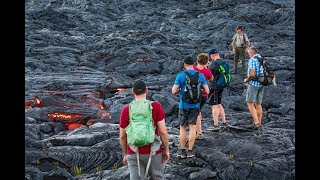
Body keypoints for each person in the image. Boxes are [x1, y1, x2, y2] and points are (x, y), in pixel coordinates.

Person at [119, 80, 170, 179]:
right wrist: (166, 149)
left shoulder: (127, 109)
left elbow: (122, 136)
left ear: (132, 92)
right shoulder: (156, 106)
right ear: (147, 91)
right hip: (154, 151)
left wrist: (125, 154)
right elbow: (163, 131)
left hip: (134, 151)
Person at [172, 56, 209, 158]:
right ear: (194, 64)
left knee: (183, 128)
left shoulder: (181, 75)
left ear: (185, 65)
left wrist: (180, 90)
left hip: (183, 105)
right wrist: (200, 91)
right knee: (193, 127)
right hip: (195, 105)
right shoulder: (200, 76)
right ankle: (190, 151)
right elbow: (207, 91)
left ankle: (182, 151)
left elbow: (173, 91)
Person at [193, 53, 213, 140]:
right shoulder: (207, 71)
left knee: (195, 113)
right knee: (198, 112)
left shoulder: (193, 69)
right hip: (204, 94)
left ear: (197, 60)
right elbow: (211, 79)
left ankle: (198, 132)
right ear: (207, 62)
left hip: (193, 94)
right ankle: (198, 131)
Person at [207, 48, 228, 131]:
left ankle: (216, 125)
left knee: (214, 105)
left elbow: (209, 75)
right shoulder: (224, 62)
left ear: (212, 55)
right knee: (219, 103)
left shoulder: (213, 64)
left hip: (214, 86)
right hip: (222, 85)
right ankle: (224, 122)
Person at [243, 47, 264, 130]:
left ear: (252, 52)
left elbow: (252, 74)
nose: (248, 54)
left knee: (250, 103)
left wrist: (246, 80)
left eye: (249, 53)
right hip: (261, 84)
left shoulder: (252, 60)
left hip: (253, 84)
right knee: (258, 104)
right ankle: (259, 122)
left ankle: (256, 123)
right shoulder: (261, 58)